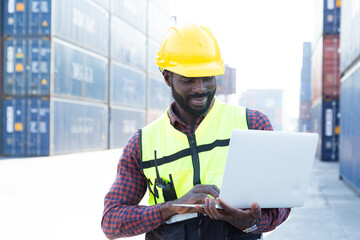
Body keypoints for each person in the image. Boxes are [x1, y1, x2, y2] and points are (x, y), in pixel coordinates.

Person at [102, 22, 290, 240]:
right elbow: (112, 221)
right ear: (167, 78)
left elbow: (281, 204)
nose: (200, 88)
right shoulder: (142, 143)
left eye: (208, 78)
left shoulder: (253, 124)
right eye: (188, 79)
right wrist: (172, 207)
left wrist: (252, 222)